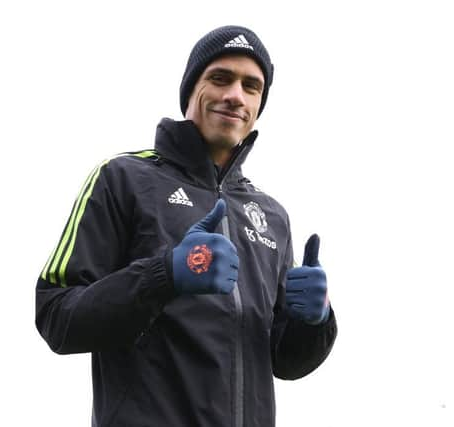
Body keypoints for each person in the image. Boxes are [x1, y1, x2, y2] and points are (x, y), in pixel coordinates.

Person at [35, 25, 337, 427]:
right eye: (220, 78)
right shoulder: (123, 178)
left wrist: (314, 322)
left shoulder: (272, 215)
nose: (235, 96)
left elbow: (286, 362)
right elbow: (57, 317)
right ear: (191, 88)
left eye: (252, 86)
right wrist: (166, 275)